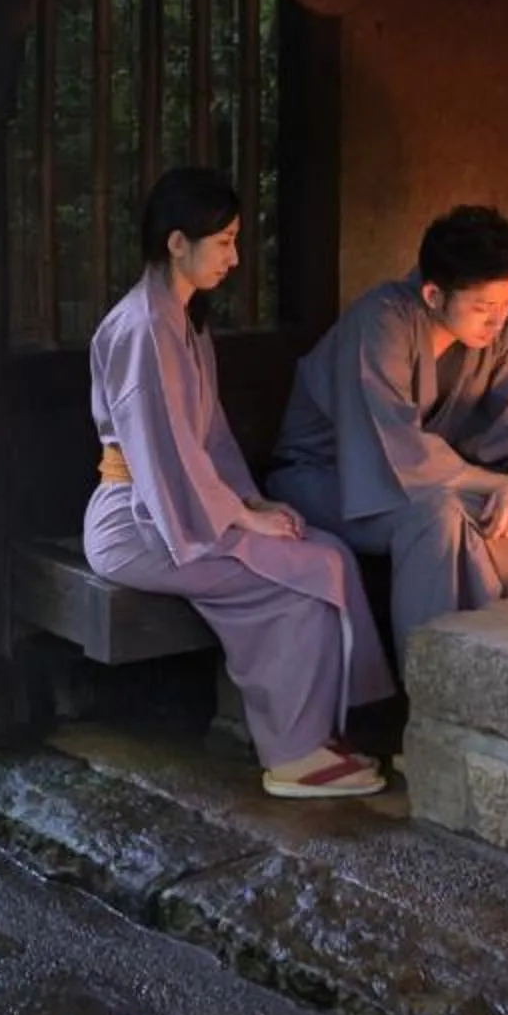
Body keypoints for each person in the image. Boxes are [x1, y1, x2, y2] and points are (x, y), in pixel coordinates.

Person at [87, 168, 395, 798]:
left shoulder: (182, 319)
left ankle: (337, 722)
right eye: (223, 241)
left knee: (329, 551)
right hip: (140, 523)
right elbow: (161, 455)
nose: (234, 256)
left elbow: (210, 439)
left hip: (178, 507)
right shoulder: (144, 327)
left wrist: (249, 501)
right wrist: (240, 518)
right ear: (178, 243)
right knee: (301, 581)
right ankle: (293, 753)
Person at [267, 205, 508, 664]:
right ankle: (443, 681)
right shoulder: (380, 323)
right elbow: (396, 454)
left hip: (441, 475)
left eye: (507, 303)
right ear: (432, 294)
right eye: (483, 307)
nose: (498, 320)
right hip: (335, 478)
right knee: (438, 518)